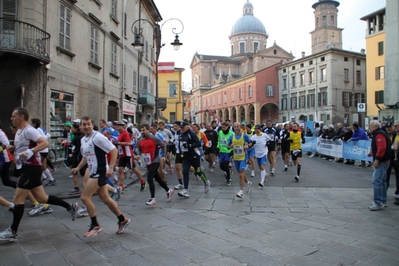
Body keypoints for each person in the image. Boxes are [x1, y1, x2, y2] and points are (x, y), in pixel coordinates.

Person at [0, 107, 79, 241]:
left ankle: (12, 232)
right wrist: (14, 148)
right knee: (42, 198)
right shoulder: (19, 131)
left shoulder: (29, 130)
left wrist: (31, 151)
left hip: (32, 168)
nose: (11, 118)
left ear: (21, 117)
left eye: (14, 116)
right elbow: (24, 147)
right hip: (28, 168)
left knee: (17, 199)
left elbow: (44, 143)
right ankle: (70, 207)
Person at [71, 116, 131, 236]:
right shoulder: (83, 139)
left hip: (100, 171)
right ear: (81, 126)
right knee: (105, 198)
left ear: (92, 125)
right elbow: (85, 156)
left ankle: (95, 225)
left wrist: (111, 167)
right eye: (84, 124)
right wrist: (78, 167)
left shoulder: (97, 137)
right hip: (93, 171)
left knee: (84, 197)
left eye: (89, 124)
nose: (86, 126)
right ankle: (122, 219)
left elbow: (113, 150)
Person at [135, 124, 174, 206]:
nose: (142, 132)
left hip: (155, 160)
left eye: (144, 130)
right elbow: (139, 149)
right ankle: (168, 190)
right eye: (141, 130)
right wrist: (138, 155)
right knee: (158, 179)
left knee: (149, 178)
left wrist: (163, 156)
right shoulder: (140, 140)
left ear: (148, 130)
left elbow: (163, 145)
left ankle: (153, 198)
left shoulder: (154, 138)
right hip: (148, 161)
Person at [177, 122, 210, 198]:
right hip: (186, 156)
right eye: (181, 128)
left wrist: (189, 145)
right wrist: (180, 153)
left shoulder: (191, 133)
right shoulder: (181, 134)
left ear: (187, 127)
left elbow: (198, 144)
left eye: (183, 127)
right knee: (185, 171)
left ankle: (206, 182)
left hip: (194, 156)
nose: (181, 129)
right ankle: (185, 190)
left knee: (198, 171)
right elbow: (180, 145)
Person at [367, 120, 392, 211]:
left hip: (382, 161)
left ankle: (378, 202)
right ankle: (383, 201)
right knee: (383, 181)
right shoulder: (380, 133)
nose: (369, 127)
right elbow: (379, 146)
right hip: (385, 160)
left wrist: (377, 159)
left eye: (370, 125)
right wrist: (372, 152)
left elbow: (382, 147)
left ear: (375, 126)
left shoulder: (379, 134)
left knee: (377, 181)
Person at [228, 122, 252, 199]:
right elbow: (228, 146)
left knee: (241, 173)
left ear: (240, 127)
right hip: (236, 157)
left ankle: (241, 192)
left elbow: (251, 142)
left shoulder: (244, 135)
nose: (236, 128)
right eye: (235, 127)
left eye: (238, 126)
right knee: (240, 173)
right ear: (233, 128)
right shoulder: (232, 136)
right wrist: (230, 146)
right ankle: (248, 183)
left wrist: (247, 146)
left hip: (243, 157)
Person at [172, 121, 184, 190]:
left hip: (184, 152)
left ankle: (197, 173)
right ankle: (180, 183)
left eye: (176, 126)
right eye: (174, 126)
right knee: (177, 167)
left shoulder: (183, 133)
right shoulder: (175, 133)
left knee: (188, 168)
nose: (174, 127)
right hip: (178, 152)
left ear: (179, 126)